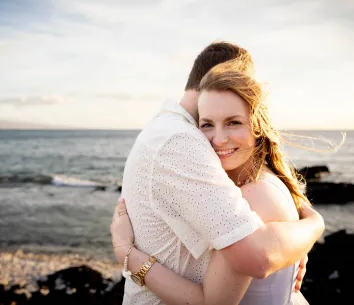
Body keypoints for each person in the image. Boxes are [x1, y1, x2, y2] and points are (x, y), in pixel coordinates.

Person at [111, 42, 324, 305]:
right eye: (207, 124)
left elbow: (259, 257)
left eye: (233, 121)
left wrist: (127, 255)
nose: (218, 139)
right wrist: (303, 230)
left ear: (257, 121)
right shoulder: (181, 139)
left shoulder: (171, 134)